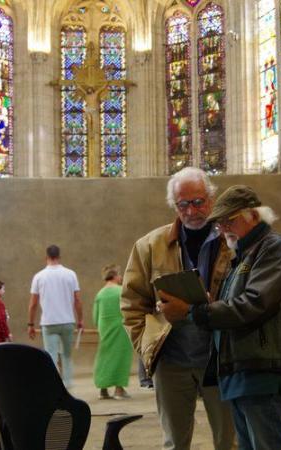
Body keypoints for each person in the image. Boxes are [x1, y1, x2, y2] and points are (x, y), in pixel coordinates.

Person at [159, 185, 281, 450]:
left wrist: (192, 311)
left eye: (230, 220)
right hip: (241, 369)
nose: (224, 228)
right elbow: (237, 305)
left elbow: (253, 304)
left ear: (254, 216)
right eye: (220, 223)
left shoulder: (274, 249)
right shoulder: (244, 255)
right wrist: (208, 304)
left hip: (262, 369)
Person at [121, 167, 235, 450]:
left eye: (198, 202)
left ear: (211, 198)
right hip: (172, 361)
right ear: (174, 205)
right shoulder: (149, 245)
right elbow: (132, 303)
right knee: (175, 443)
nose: (191, 211)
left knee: (230, 441)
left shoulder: (232, 242)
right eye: (182, 204)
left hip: (221, 358)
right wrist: (148, 347)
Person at [28, 245, 83, 389]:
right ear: (59, 257)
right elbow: (77, 299)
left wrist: (30, 324)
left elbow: (33, 303)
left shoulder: (39, 276)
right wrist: (80, 319)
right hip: (68, 321)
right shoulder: (71, 274)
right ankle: (68, 384)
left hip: (49, 322)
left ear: (46, 257)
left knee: (51, 355)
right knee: (66, 355)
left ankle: (52, 386)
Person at [93, 264, 133, 400]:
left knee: (104, 356)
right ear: (115, 276)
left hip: (104, 328)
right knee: (121, 356)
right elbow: (129, 309)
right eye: (119, 274)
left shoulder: (100, 293)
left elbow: (95, 315)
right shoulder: (120, 291)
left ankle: (103, 389)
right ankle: (119, 389)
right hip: (120, 327)